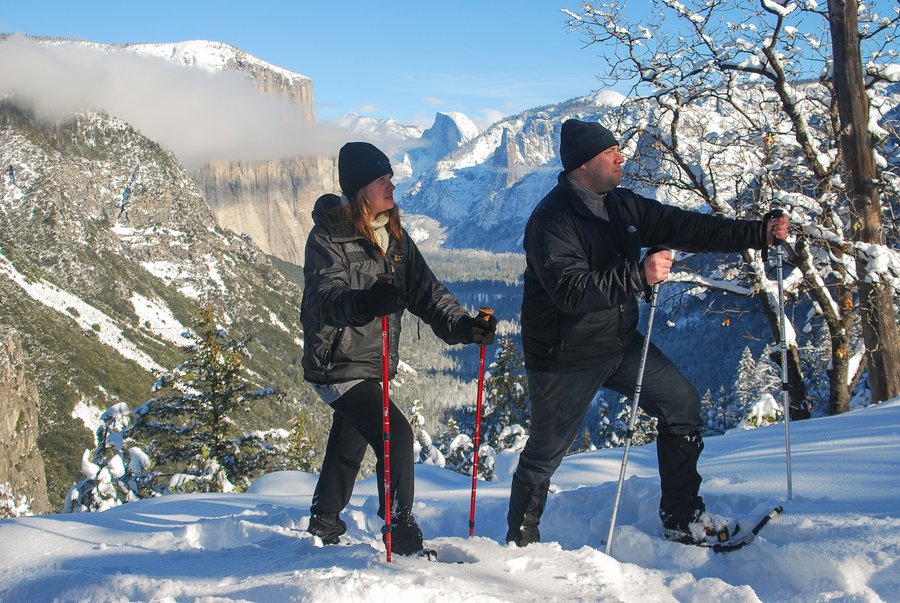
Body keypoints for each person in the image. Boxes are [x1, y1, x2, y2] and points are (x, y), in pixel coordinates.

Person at [506, 118, 789, 546]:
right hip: (565, 355)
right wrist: (639, 275)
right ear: (584, 165)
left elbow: (687, 227)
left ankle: (682, 518)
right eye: (610, 153)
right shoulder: (552, 220)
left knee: (682, 405)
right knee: (545, 454)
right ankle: (520, 543)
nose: (621, 158)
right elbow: (571, 292)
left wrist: (757, 233)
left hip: (619, 341)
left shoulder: (621, 205)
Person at [300, 141, 497, 556]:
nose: (392, 184)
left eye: (390, 176)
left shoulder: (395, 236)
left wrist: (464, 326)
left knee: (352, 437)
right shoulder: (328, 237)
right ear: (359, 189)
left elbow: (428, 294)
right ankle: (401, 533)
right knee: (396, 434)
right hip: (337, 362)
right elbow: (325, 298)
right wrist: (367, 303)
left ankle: (324, 519)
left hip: (372, 363)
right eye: (381, 179)